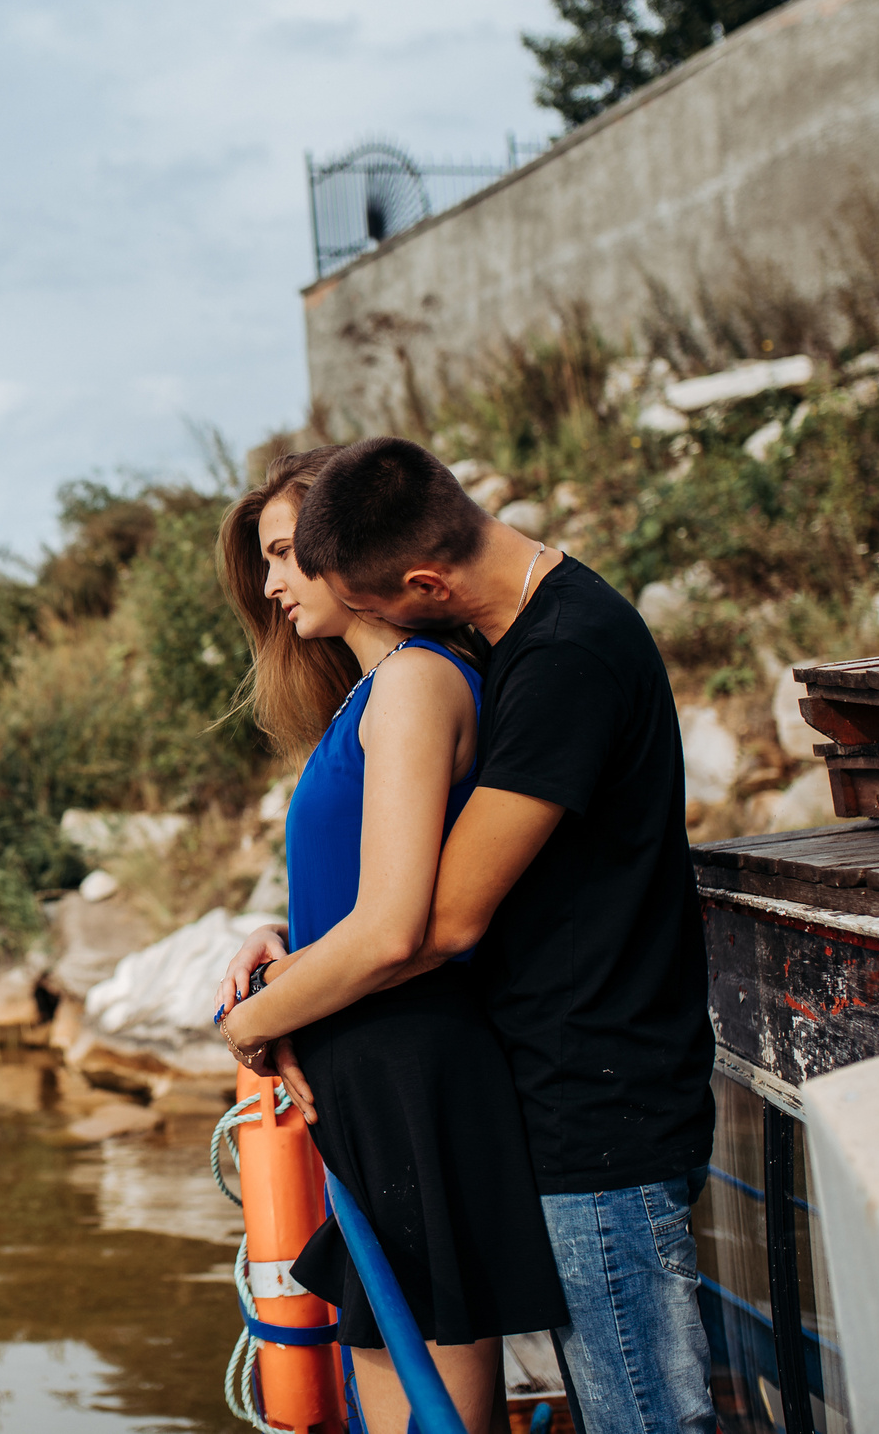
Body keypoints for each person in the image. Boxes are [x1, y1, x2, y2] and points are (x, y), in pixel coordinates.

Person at [273, 434, 719, 1434]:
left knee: (643, 1419)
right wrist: (282, 942)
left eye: (381, 605)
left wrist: (260, 1015)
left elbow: (431, 920)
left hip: (601, 1106)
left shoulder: (564, 659)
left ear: (425, 579)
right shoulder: (534, 638)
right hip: (565, 1092)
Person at [210, 447, 567, 1434]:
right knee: (392, 1384)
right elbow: (364, 890)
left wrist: (250, 1023)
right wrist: (275, 936)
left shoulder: (414, 683)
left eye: (287, 553)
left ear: (350, 549)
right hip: (367, 1084)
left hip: (412, 1074)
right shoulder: (367, 700)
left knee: (435, 1407)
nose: (275, 582)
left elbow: (392, 928)